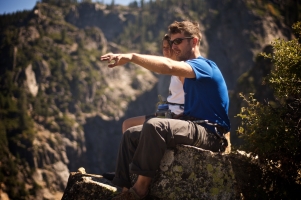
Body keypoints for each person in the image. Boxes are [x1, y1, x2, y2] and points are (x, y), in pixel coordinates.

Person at [100, 20, 230, 200]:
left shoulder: (204, 66)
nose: (173, 46)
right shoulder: (189, 71)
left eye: (178, 41)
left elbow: (168, 66)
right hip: (192, 125)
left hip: (210, 133)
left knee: (155, 126)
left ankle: (139, 191)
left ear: (194, 41)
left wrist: (131, 57)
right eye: (172, 42)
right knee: (131, 133)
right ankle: (123, 187)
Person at [122, 34, 185, 133]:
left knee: (134, 126)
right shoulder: (175, 71)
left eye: (168, 47)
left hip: (175, 116)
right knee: (127, 124)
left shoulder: (182, 69)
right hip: (167, 113)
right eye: (164, 47)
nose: (166, 51)